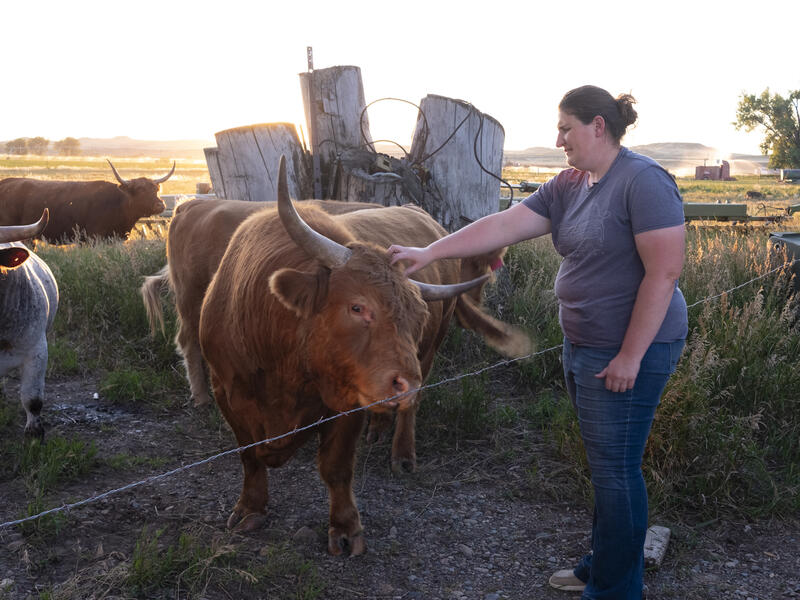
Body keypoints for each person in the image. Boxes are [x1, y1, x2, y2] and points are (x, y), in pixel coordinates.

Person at [387, 85, 688, 600]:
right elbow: (504, 224)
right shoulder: (572, 183)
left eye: (566, 128)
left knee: (616, 472)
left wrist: (630, 357)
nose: (558, 139)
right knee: (607, 466)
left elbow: (663, 274)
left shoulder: (643, 182)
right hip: (586, 346)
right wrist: (426, 251)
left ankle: (616, 589)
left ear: (598, 126)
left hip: (632, 350)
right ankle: (605, 563)